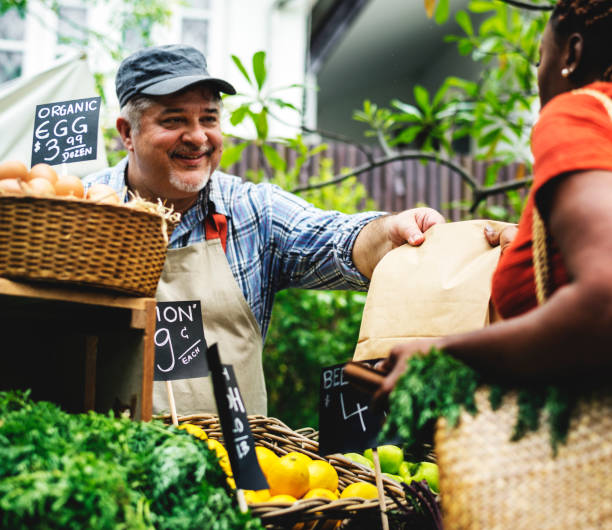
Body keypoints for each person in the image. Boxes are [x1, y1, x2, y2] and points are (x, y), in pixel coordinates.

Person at [84, 44, 446, 415]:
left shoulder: (253, 212)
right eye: (174, 120)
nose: (197, 137)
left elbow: (338, 239)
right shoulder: (75, 210)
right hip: (105, 461)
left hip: (232, 465)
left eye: (208, 119)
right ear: (127, 133)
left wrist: (391, 231)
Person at [375, 0, 612, 400]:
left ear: (571, 53)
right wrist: (528, 245)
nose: (538, 76)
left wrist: (443, 350)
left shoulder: (578, 113)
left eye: (540, 59)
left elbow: (602, 298)